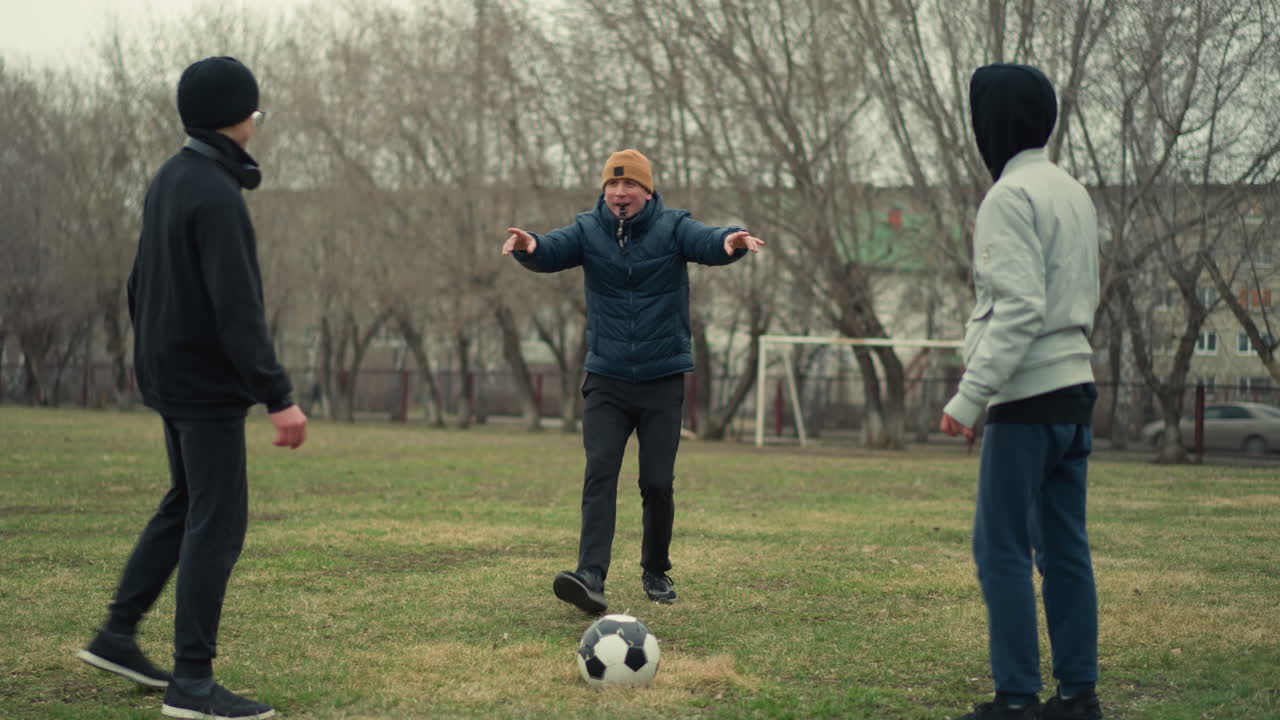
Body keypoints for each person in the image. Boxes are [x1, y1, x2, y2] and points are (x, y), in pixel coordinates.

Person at [77, 56, 306, 720]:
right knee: (218, 521)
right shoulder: (213, 191)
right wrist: (278, 394)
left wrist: (151, 357)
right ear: (241, 115)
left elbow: (137, 283)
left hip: (169, 375)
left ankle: (117, 634)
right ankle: (193, 683)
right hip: (203, 384)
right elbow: (238, 308)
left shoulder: (170, 179)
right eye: (255, 111)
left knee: (185, 505)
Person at [502, 149, 764, 613]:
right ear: (604, 191)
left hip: (662, 380)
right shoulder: (587, 229)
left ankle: (655, 568)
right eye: (612, 186)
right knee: (600, 472)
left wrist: (729, 241)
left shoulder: (673, 226)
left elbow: (706, 240)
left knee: (656, 483)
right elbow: (554, 248)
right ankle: (589, 576)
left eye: (631, 186)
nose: (621, 194)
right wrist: (531, 247)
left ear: (646, 190)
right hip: (606, 378)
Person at [939, 64, 1103, 720]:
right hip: (1075, 396)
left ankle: (1014, 699)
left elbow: (1019, 308)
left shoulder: (1008, 197)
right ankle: (1077, 696)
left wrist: (969, 396)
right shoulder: (1072, 190)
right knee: (1065, 548)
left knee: (999, 547)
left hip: (1026, 401)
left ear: (992, 124)